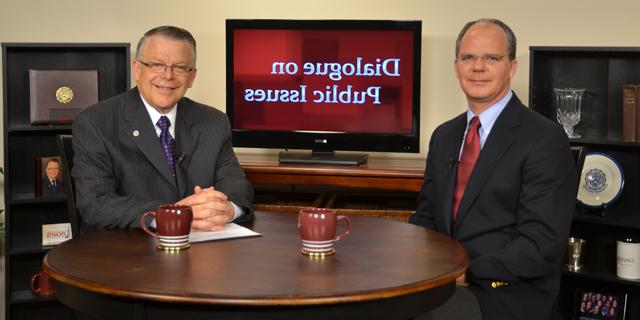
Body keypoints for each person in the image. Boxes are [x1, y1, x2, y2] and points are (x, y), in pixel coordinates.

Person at [409, 18, 578, 319]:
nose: (478, 66)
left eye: (491, 58)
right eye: (469, 57)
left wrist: (464, 274)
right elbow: (426, 219)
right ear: (456, 66)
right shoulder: (444, 136)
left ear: (511, 67)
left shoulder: (544, 139)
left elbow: (541, 245)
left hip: (508, 290)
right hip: (447, 282)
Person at [72, 26, 254, 231]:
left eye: (179, 67)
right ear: (137, 69)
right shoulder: (95, 123)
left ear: (192, 76)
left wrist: (227, 208)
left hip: (203, 249)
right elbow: (95, 204)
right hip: (128, 250)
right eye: (157, 65)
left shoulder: (214, 121)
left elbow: (236, 185)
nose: (168, 76)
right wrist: (173, 215)